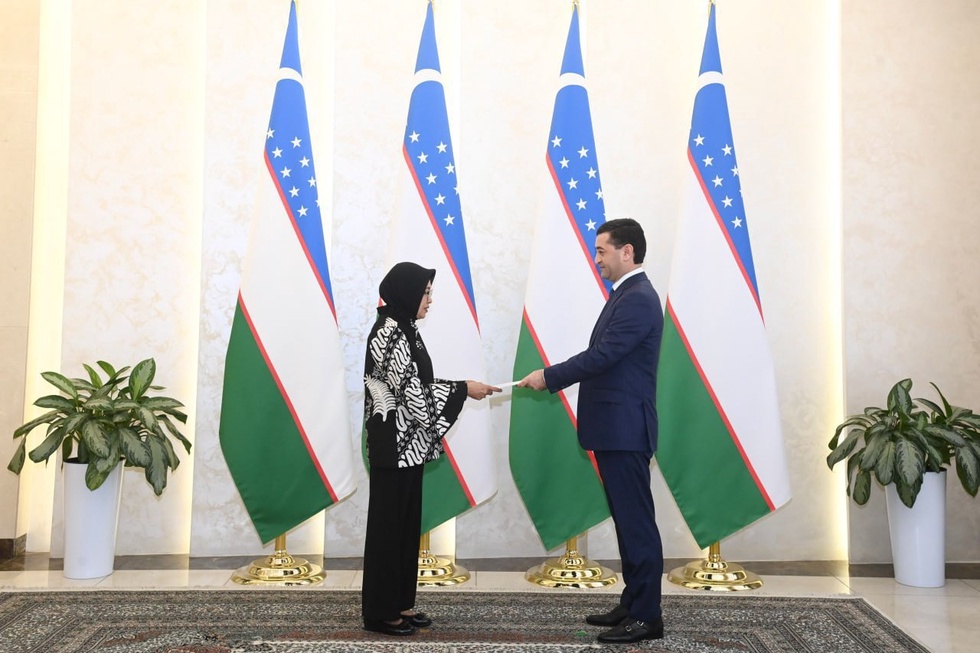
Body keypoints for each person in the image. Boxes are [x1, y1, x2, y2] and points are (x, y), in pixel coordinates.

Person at [517, 218, 665, 644]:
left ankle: (648, 616)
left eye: (602, 250)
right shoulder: (626, 294)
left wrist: (549, 376)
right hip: (615, 429)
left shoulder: (639, 298)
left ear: (627, 252)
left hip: (626, 429)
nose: (596, 258)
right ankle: (633, 603)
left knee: (637, 524)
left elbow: (603, 356)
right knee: (627, 521)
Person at [361, 261, 499, 636]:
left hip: (409, 448)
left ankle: (400, 603)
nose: (430, 300)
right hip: (394, 448)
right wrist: (462, 389)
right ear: (407, 293)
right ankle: (380, 613)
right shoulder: (389, 333)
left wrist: (461, 387)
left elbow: (417, 383)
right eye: (425, 293)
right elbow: (413, 396)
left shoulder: (405, 328)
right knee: (389, 531)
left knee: (406, 529)